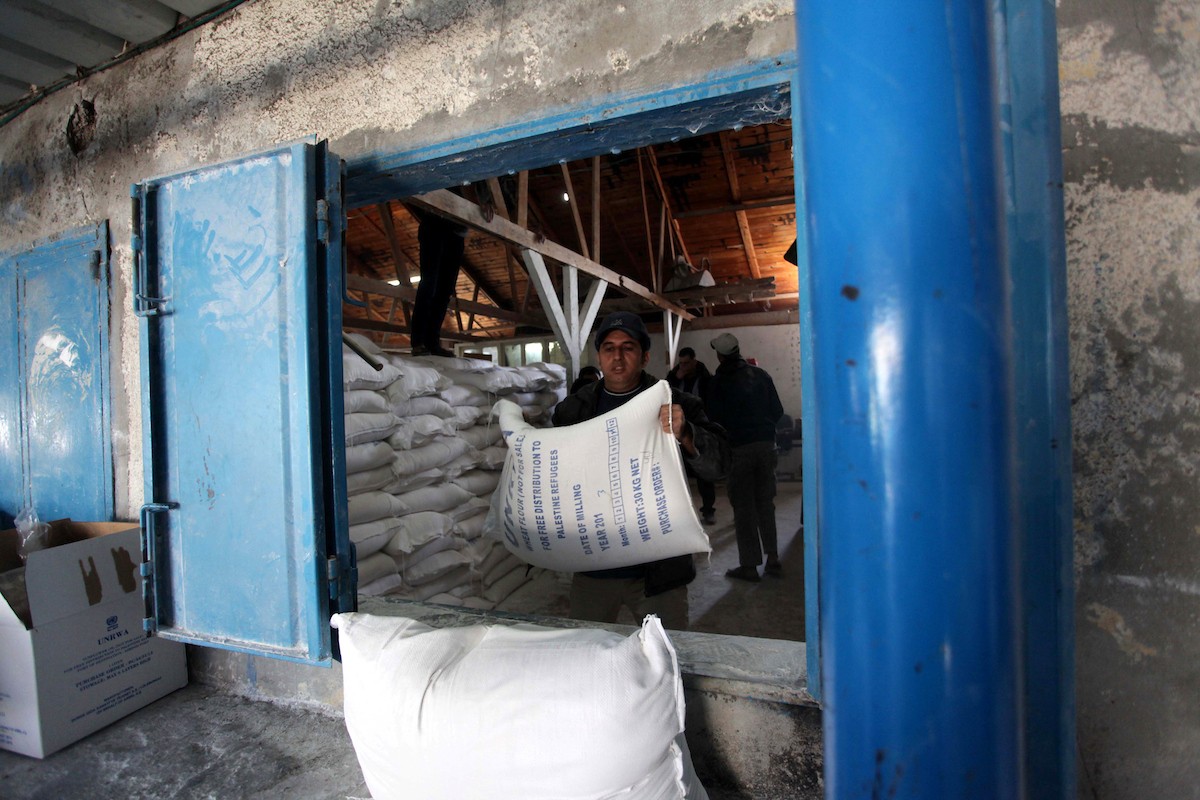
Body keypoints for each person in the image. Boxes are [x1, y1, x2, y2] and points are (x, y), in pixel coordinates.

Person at [552, 312, 729, 630]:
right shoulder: (574, 410)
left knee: (665, 651)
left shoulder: (677, 404)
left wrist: (687, 434)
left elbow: (719, 467)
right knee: (585, 649)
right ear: (599, 357)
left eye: (628, 347)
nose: (617, 357)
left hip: (658, 572)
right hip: (594, 566)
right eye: (609, 348)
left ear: (645, 356)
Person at [705, 332, 785, 582]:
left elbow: (713, 420)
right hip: (766, 446)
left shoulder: (718, 383)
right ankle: (773, 558)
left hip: (739, 449)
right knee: (765, 503)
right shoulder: (761, 375)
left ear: (720, 356)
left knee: (744, 508)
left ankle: (749, 566)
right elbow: (778, 411)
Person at [666, 347, 718, 525]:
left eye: (687, 363)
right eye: (681, 363)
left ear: (694, 361)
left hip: (699, 430)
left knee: (704, 473)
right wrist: (674, 378)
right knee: (677, 473)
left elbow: (710, 402)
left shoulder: (705, 378)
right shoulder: (674, 377)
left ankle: (708, 510)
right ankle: (680, 514)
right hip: (677, 432)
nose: (684, 366)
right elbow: (665, 394)